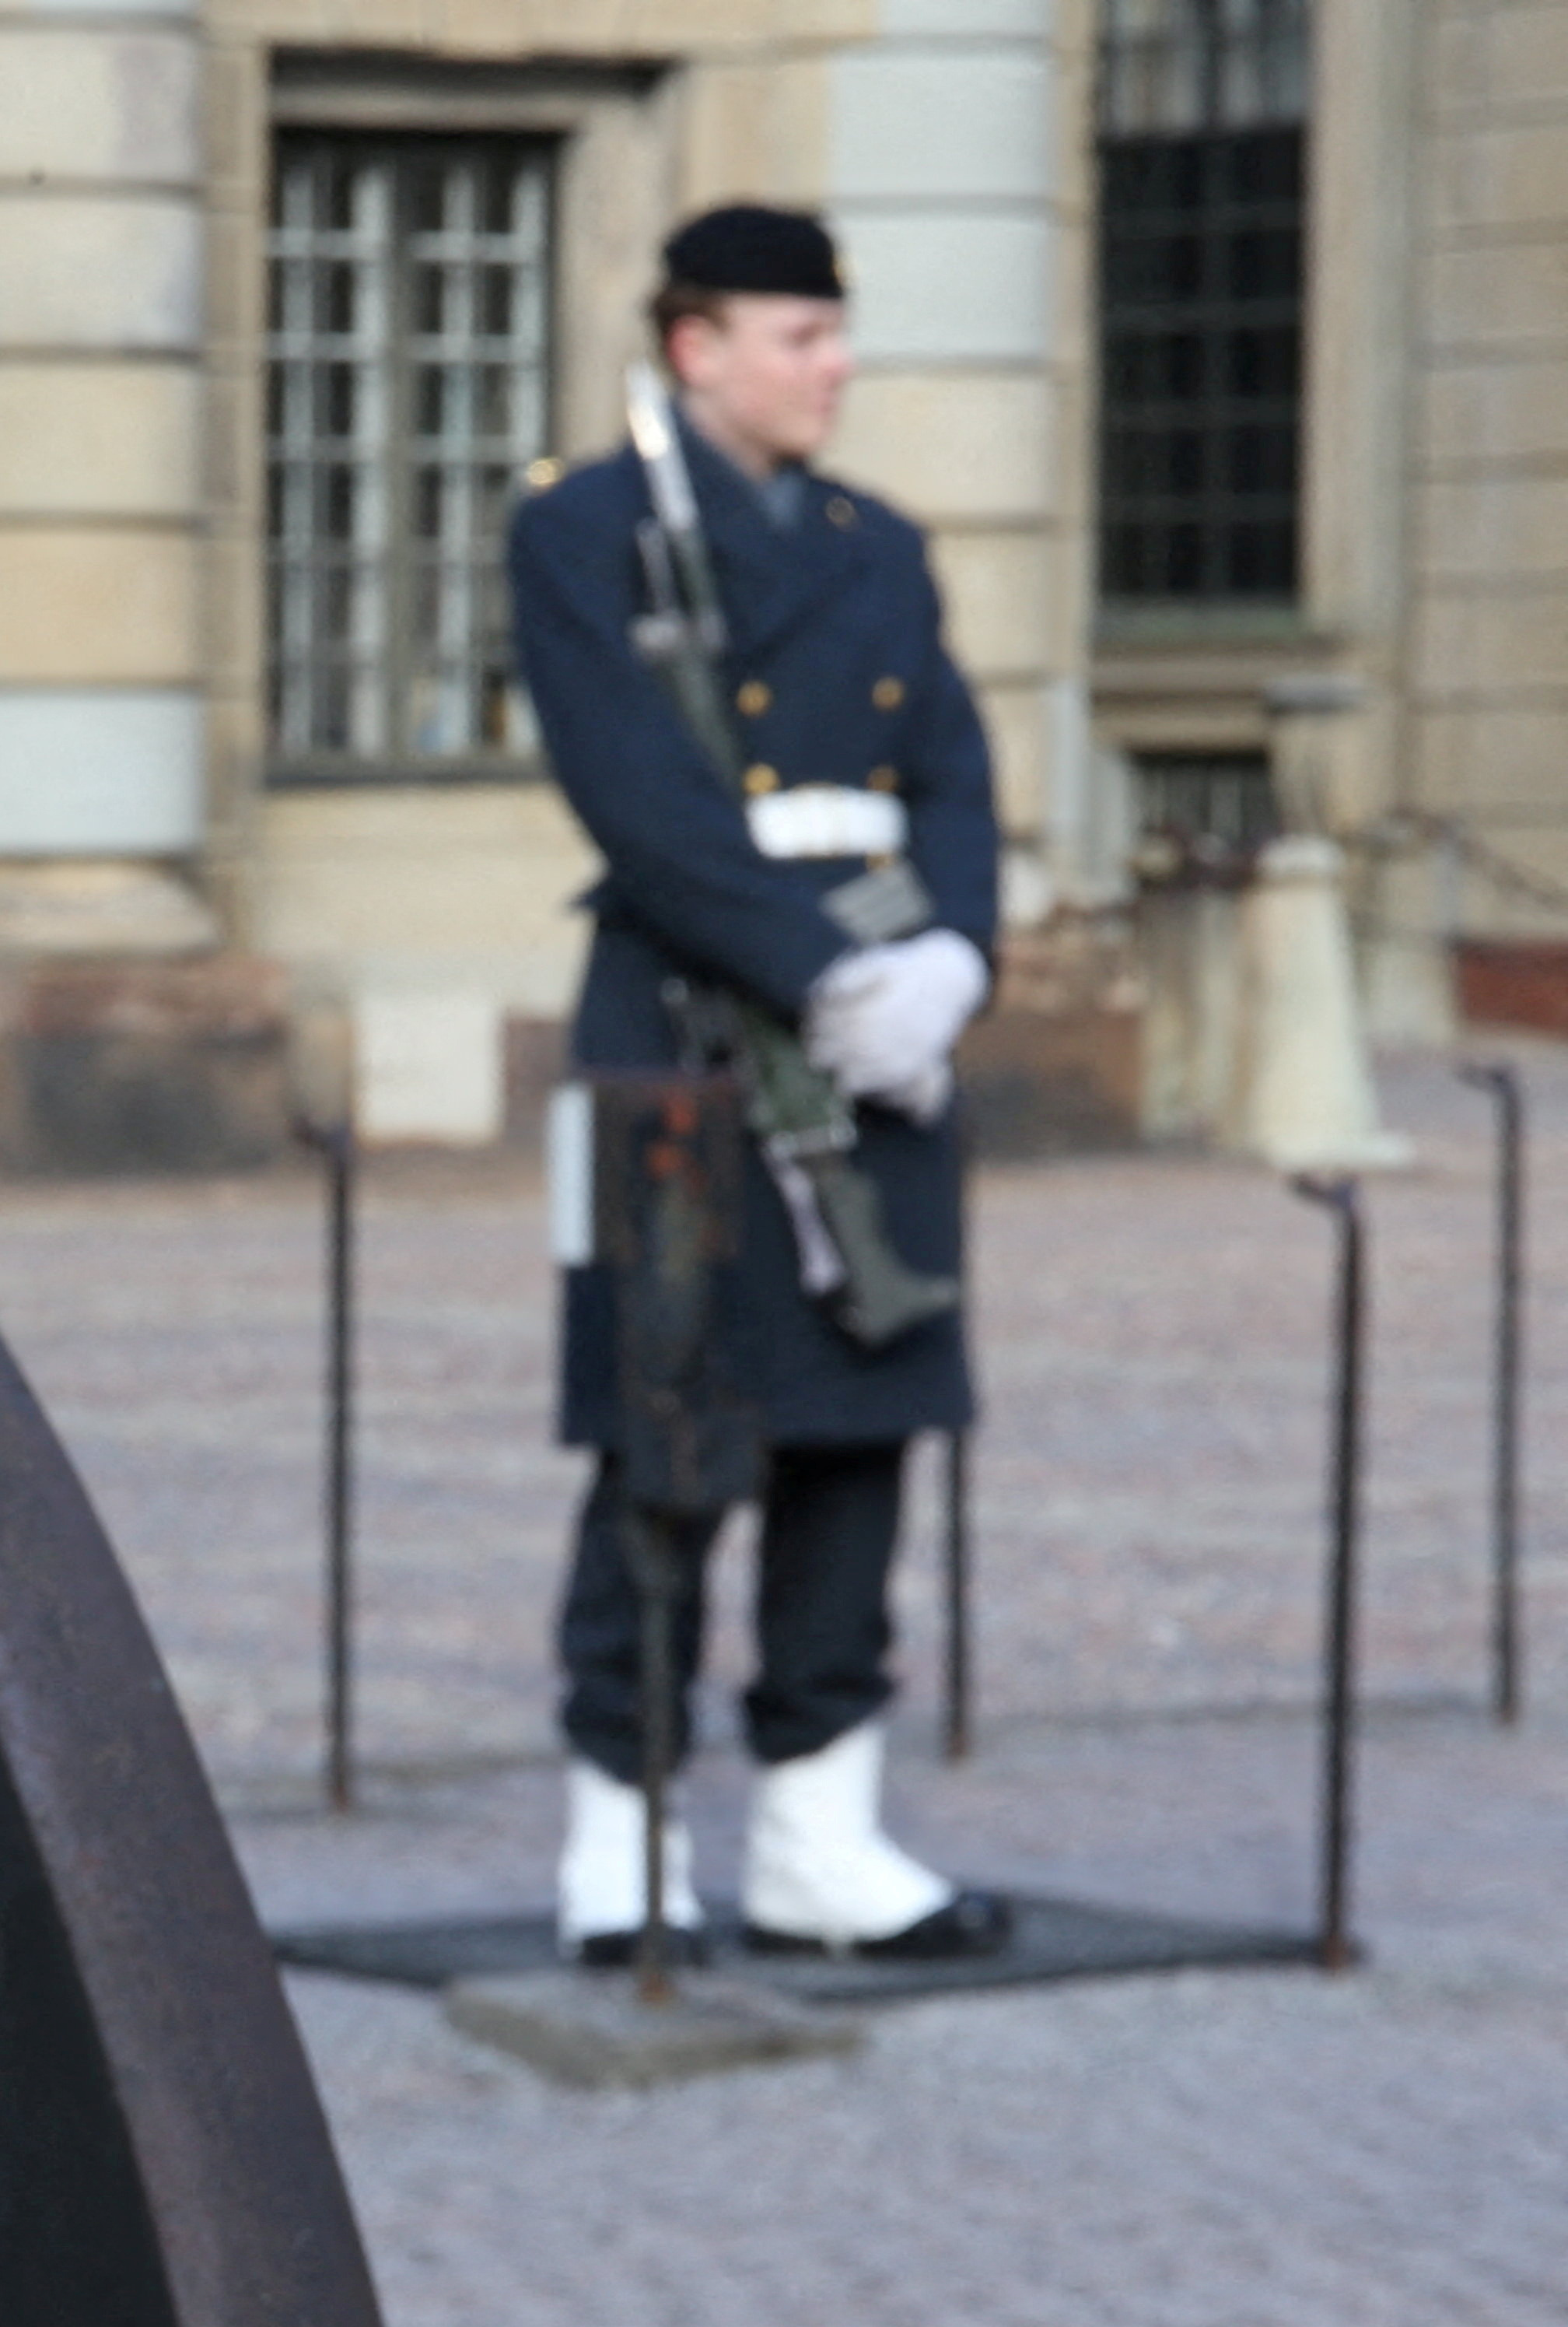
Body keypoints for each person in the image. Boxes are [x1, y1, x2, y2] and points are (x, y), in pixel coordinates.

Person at [506, 203, 1010, 1964]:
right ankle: (621, 1835)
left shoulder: (880, 546)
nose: (834, 367)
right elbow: (637, 800)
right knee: (668, 1428)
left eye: (835, 332)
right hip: (688, 1026)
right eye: (800, 335)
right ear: (694, 344)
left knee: (861, 1427)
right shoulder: (585, 529)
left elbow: (950, 773)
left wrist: (950, 960)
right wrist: (820, 973)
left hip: (883, 1031)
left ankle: (817, 1838)